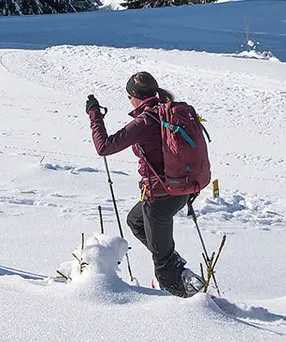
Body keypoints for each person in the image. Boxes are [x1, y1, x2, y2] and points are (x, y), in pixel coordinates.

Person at [85, 71, 204, 297]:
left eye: (129, 97)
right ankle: (176, 265)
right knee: (136, 220)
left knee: (163, 265)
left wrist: (94, 115)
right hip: (180, 191)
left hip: (160, 197)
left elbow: (105, 147)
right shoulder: (168, 112)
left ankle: (183, 300)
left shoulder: (146, 120)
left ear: (134, 96)